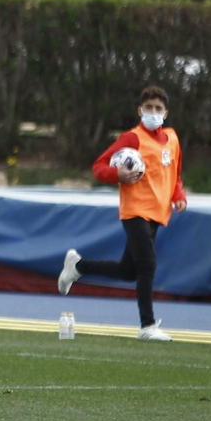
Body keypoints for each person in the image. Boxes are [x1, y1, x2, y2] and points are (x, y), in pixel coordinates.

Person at [57, 84, 187, 342]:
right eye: (148, 107)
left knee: (129, 271)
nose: (153, 112)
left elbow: (175, 174)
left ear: (165, 113)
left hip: (157, 213)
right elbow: (99, 167)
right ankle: (147, 325)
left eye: (158, 108)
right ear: (140, 110)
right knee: (148, 264)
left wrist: (178, 196)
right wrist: (118, 174)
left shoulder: (172, 139)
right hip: (135, 210)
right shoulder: (132, 138)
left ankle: (78, 267)